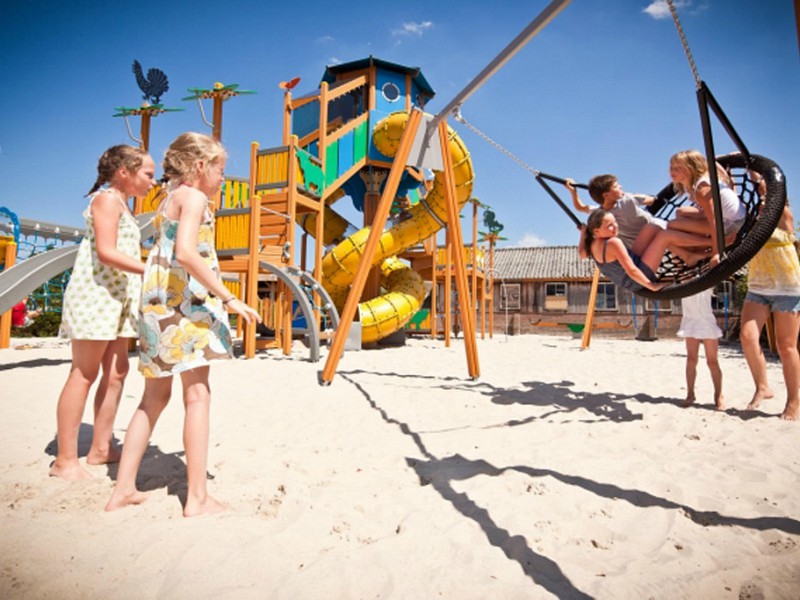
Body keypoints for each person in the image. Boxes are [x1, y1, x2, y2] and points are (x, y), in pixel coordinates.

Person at [106, 132, 261, 516]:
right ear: (200, 167)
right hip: (184, 306)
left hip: (157, 305)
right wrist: (229, 297)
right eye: (221, 169)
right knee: (198, 396)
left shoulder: (169, 197)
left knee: (153, 399)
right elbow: (187, 253)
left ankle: (122, 489)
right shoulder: (194, 197)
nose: (224, 177)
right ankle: (197, 498)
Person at [51, 145, 156, 480]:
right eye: (148, 174)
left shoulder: (123, 206)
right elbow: (107, 252)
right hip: (96, 295)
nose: (153, 182)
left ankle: (101, 448)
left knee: (116, 373)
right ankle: (64, 460)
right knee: (84, 373)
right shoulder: (106, 199)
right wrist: (151, 267)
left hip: (120, 298)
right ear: (124, 172)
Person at [739, 175, 800, 421]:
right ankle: (763, 387)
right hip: (758, 287)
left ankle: (794, 400)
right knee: (748, 337)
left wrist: (757, 176)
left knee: (786, 347)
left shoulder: (784, 218)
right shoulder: (753, 223)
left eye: (767, 201)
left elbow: (770, 193)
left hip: (787, 289)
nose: (763, 205)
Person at [667, 149, 747, 266]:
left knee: (672, 226)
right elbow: (725, 177)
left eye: (677, 168)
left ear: (690, 169)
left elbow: (714, 222)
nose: (671, 171)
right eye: (671, 167)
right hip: (728, 216)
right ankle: (695, 252)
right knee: (680, 212)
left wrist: (717, 252)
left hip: (732, 223)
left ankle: (705, 250)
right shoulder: (695, 185)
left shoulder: (702, 189)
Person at [566, 175, 665, 259]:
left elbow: (580, 207)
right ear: (606, 195)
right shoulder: (625, 200)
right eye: (616, 187)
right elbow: (652, 200)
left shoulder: (602, 211)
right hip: (642, 244)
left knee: (668, 237)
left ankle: (678, 264)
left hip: (653, 230)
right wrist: (573, 191)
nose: (621, 186)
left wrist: (573, 192)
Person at [677, 288, 724, 410]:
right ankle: (690, 394)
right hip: (690, 320)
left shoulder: (707, 278)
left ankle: (718, 395)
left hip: (706, 321)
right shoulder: (683, 280)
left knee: (712, 361)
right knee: (691, 359)